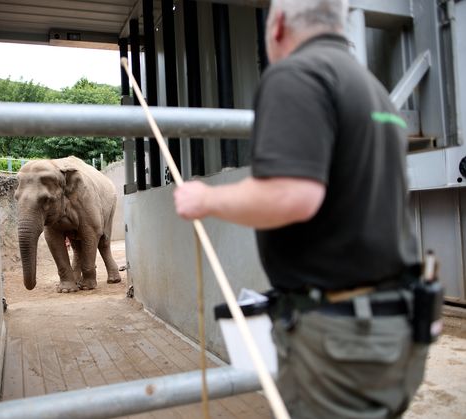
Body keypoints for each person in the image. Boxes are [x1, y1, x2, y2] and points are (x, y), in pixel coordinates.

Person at [173, 0, 428, 417]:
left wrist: (207, 198)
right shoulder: (375, 90)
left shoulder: (296, 75)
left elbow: (293, 195)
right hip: (395, 324)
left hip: (340, 336)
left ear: (276, 27)